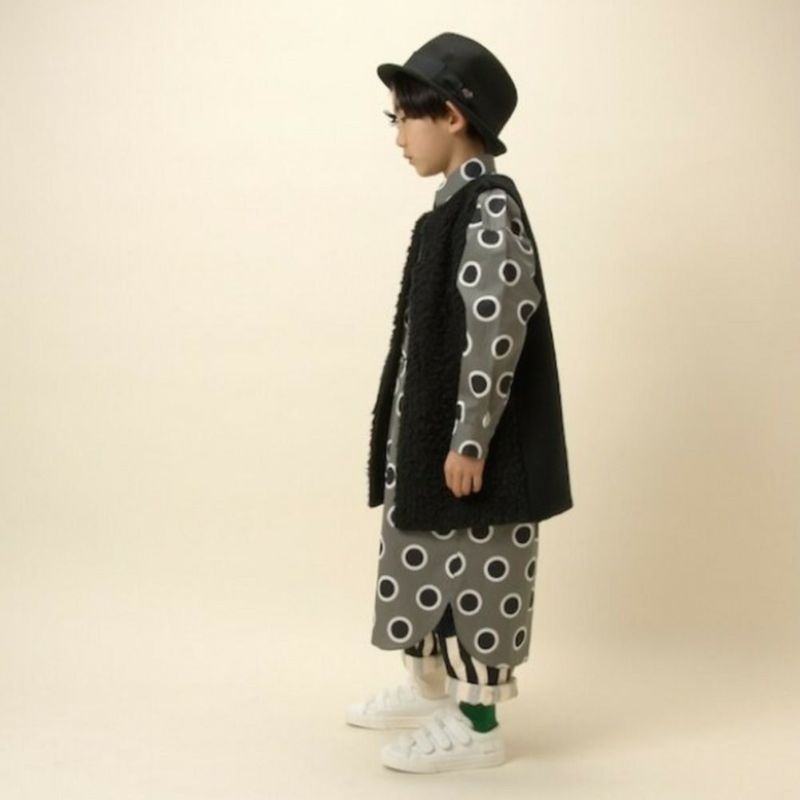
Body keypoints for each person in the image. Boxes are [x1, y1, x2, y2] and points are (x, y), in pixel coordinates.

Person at [345, 32, 573, 773]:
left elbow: (498, 325)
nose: (398, 137)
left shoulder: (488, 209)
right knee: (424, 562)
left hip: (471, 452)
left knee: (476, 571)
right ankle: (429, 689)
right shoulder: (446, 211)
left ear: (450, 116)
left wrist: (471, 437)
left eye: (405, 119)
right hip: (430, 444)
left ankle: (477, 726)